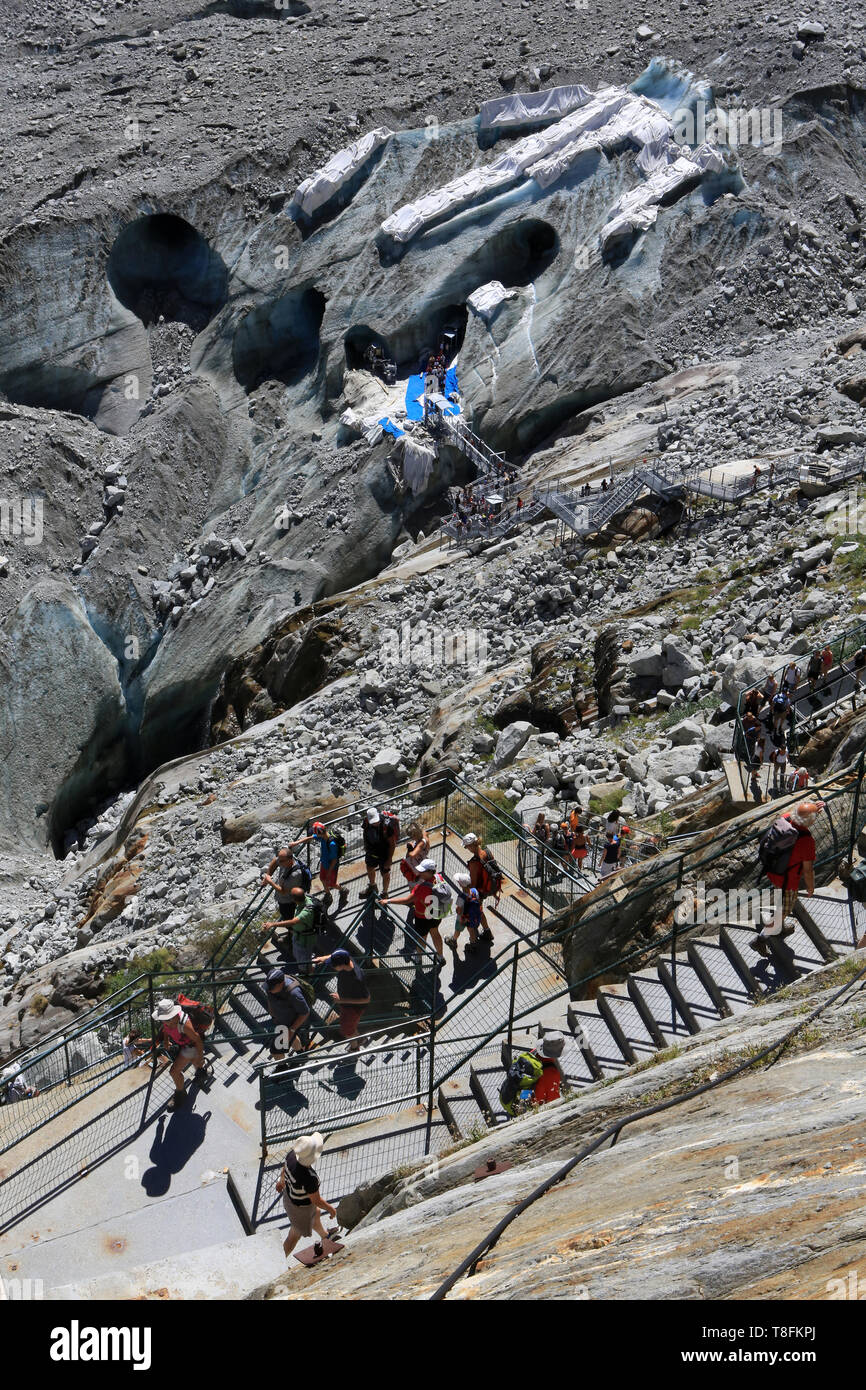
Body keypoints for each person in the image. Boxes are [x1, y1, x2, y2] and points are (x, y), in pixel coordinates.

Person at [275, 1132, 337, 1259]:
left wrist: (281, 1181)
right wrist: (331, 1209)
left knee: (315, 1214)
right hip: (300, 1210)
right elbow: (316, 1200)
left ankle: (325, 1236)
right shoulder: (310, 1178)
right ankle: (279, 1261)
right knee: (293, 1237)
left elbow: (284, 1168)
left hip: (290, 1198)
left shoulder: (292, 1155)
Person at [763, 799, 825, 917]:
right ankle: (770, 932)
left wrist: (811, 808)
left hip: (772, 869)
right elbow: (807, 870)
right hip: (787, 880)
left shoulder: (785, 818)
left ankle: (775, 925)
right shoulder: (806, 841)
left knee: (779, 897)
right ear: (810, 822)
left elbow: (800, 813)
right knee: (785, 908)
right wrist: (810, 887)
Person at [380, 859, 447, 965]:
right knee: (435, 933)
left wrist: (387, 901)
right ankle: (440, 956)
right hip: (436, 914)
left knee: (422, 938)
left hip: (423, 918)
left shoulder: (421, 888)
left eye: (422, 871)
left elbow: (406, 900)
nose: (419, 872)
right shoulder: (439, 877)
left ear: (429, 872)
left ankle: (419, 958)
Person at [151, 998, 207, 1112]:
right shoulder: (168, 1021)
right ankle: (202, 1073)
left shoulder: (185, 1024)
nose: (162, 1022)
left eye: (164, 1019)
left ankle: (181, 1095)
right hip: (184, 1044)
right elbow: (165, 1029)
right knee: (196, 1065)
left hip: (191, 1046)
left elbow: (198, 1040)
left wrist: (200, 1057)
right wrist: (166, 1040)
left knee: (174, 1071)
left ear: (172, 1016)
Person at [312, 948, 370, 1051]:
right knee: (350, 1026)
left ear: (342, 965)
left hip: (354, 1009)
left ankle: (354, 1049)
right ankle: (360, 1039)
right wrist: (323, 958)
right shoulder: (347, 958)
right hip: (346, 1004)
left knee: (347, 1030)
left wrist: (341, 1000)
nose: (332, 966)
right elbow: (337, 954)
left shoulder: (357, 978)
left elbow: (366, 999)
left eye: (333, 965)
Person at [262, 848, 311, 955]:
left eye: (282, 861)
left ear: (289, 860)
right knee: (288, 920)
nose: (279, 862)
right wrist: (268, 874)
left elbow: (283, 891)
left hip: (288, 902)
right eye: (280, 859)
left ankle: (294, 942)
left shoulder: (295, 875)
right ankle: (291, 936)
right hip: (284, 900)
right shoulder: (285, 861)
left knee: (290, 921)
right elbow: (275, 861)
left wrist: (270, 882)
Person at [263, 887, 321, 973]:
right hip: (298, 936)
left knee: (303, 961)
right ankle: (308, 967)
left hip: (304, 941)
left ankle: (308, 975)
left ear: (294, 899)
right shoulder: (305, 898)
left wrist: (272, 924)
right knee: (299, 956)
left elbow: (293, 922)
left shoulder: (307, 912)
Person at [289, 822, 345, 905]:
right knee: (322, 878)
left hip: (331, 866)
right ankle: (328, 894)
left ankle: (343, 890)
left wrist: (329, 872)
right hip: (324, 863)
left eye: (315, 833)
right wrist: (296, 843)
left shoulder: (332, 844)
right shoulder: (322, 837)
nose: (314, 835)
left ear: (320, 833)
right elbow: (310, 838)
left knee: (331, 883)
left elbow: (334, 860)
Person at [265, 966, 312, 1057]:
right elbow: (269, 997)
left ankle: (282, 1068)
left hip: (290, 1023)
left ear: (281, 983)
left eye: (272, 988)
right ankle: (302, 1055)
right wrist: (273, 1014)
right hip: (281, 1020)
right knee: (292, 1039)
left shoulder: (294, 993)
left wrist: (292, 1029)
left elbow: (305, 1012)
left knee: (276, 1051)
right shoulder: (270, 988)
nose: (269, 990)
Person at [462, 832, 499, 936]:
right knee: (479, 909)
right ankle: (486, 930)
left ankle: (485, 932)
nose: (467, 849)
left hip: (480, 890)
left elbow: (473, 884)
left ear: (471, 846)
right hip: (490, 886)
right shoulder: (487, 852)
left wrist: (465, 887)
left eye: (466, 847)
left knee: (478, 910)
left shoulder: (474, 862)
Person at [361, 806, 395, 898]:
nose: (375, 823)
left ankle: (384, 893)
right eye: (373, 822)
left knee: (385, 872)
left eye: (376, 821)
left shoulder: (386, 825)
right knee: (369, 867)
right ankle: (372, 886)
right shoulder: (366, 822)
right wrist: (366, 846)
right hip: (371, 851)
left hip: (384, 853)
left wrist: (389, 859)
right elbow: (365, 832)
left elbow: (392, 843)